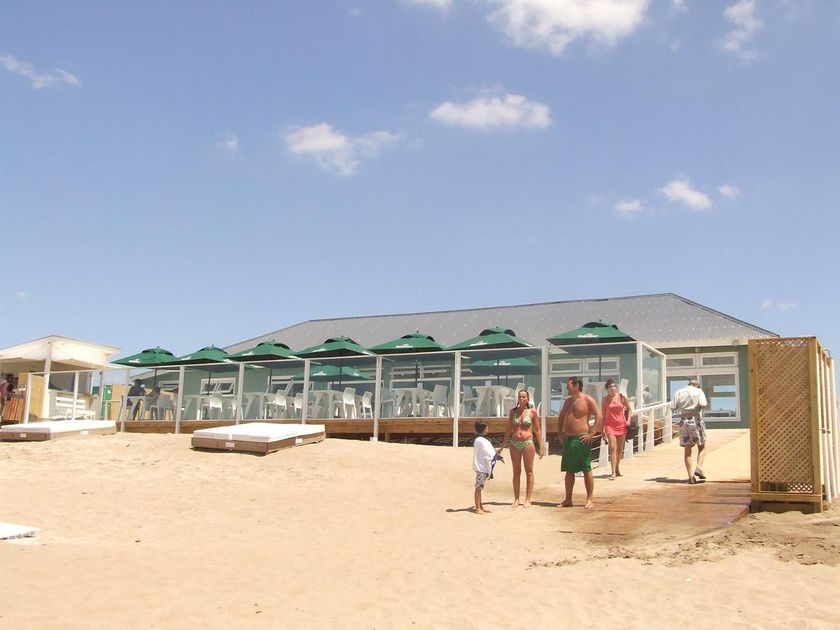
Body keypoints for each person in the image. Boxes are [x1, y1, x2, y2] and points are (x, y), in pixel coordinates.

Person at [557, 377, 603, 509]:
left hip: (582, 438)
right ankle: (568, 499)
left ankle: (589, 499)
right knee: (569, 470)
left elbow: (599, 415)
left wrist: (592, 433)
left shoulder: (587, 399)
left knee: (586, 468)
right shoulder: (568, 401)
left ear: (577, 386)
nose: (567, 387)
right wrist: (559, 433)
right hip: (568, 438)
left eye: (569, 385)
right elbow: (561, 417)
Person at [499, 389, 544, 507]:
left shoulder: (532, 412)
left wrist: (541, 446)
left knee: (529, 471)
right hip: (514, 443)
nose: (521, 399)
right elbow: (508, 430)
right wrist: (502, 446)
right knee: (516, 471)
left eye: (524, 397)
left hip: (527, 442)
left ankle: (528, 499)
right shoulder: (513, 412)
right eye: (520, 397)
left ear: (528, 399)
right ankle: (516, 498)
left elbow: (537, 430)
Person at [671, 379, 708, 484]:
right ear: (697, 385)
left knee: (687, 449)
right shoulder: (698, 391)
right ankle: (699, 467)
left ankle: (690, 476)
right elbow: (703, 403)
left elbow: (673, 406)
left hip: (684, 420)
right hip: (695, 419)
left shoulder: (679, 392)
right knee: (701, 446)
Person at [601, 378, 633, 480]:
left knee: (619, 449)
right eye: (610, 387)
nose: (612, 388)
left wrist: (628, 420)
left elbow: (629, 409)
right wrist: (602, 429)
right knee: (613, 448)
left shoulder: (621, 397)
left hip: (621, 425)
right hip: (610, 426)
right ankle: (613, 472)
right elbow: (603, 415)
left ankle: (617, 468)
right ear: (607, 389)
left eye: (614, 386)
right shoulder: (605, 400)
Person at [472, 420, 502, 514]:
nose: (488, 429)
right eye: (487, 427)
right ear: (484, 429)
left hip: (482, 466)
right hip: (481, 467)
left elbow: (488, 451)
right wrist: (496, 455)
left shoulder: (480, 439)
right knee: (478, 487)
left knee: (480, 486)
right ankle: (477, 507)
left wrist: (495, 454)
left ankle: (480, 506)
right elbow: (488, 452)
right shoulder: (480, 440)